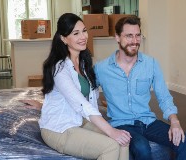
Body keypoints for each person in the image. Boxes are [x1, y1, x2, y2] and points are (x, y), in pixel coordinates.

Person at [94, 15, 186, 160]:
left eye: (137, 35)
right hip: (122, 124)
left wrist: (174, 121)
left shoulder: (151, 64)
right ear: (117, 37)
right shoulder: (101, 69)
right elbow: (88, 97)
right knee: (142, 147)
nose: (134, 41)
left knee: (184, 140)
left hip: (148, 121)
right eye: (129, 36)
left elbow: (164, 96)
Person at [38, 13, 131, 160]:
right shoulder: (60, 69)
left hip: (79, 121)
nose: (83, 37)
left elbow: (91, 100)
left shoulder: (83, 63)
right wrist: (111, 131)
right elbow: (81, 103)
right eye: (76, 33)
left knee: (124, 141)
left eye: (84, 31)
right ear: (63, 38)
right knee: (111, 146)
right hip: (59, 129)